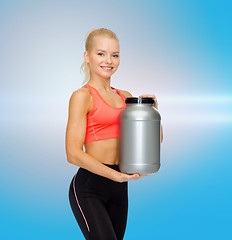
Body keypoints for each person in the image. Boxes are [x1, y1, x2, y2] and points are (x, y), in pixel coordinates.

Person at [65, 28, 164, 240]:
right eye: (100, 53)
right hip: (90, 186)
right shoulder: (82, 96)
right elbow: (73, 153)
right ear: (87, 56)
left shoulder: (126, 97)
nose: (108, 60)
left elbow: (154, 142)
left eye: (115, 55)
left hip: (119, 187)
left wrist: (153, 112)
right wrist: (115, 175)